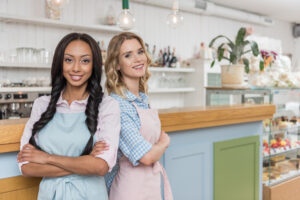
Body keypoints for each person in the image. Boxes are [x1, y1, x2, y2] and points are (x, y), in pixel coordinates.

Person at [17, 32, 120, 200]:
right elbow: (26, 167)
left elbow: (101, 166)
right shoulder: (42, 104)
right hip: (49, 195)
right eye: (69, 60)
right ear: (60, 63)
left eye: (85, 60)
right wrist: (85, 161)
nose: (76, 68)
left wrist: (47, 158)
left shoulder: (107, 106)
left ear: (94, 65)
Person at [98, 32, 173, 200]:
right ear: (117, 64)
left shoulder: (142, 99)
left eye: (140, 52)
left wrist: (156, 149)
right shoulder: (117, 105)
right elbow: (146, 156)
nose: (138, 59)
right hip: (129, 190)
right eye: (128, 55)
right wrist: (163, 143)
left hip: (150, 185)